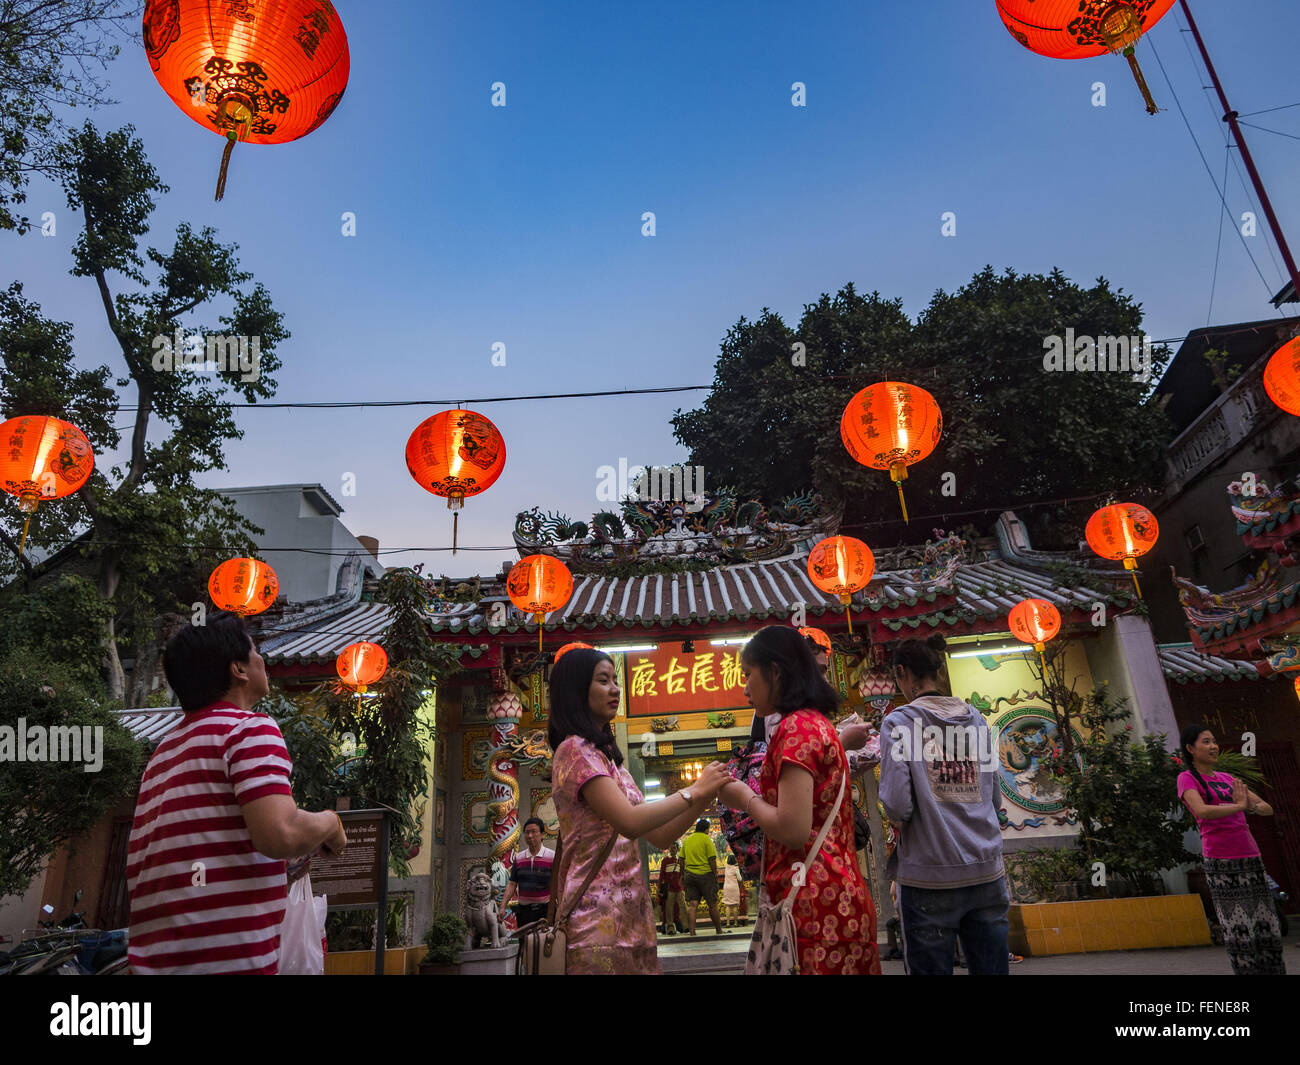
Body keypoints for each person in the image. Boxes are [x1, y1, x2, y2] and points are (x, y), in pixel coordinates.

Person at [126, 615, 347, 974]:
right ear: (239, 670)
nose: (263, 660)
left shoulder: (163, 752)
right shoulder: (248, 729)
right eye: (256, 651)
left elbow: (206, 854)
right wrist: (331, 823)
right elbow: (282, 834)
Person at [549, 648, 731, 973]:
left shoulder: (610, 760)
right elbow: (630, 822)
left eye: (616, 680)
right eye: (603, 680)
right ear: (577, 691)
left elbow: (659, 836)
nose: (616, 689)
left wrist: (705, 797)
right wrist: (695, 789)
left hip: (633, 921)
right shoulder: (574, 750)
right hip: (595, 922)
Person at [718, 625, 880, 974]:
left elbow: (792, 830)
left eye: (748, 675)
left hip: (815, 905)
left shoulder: (796, 729)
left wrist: (742, 795)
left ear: (775, 672)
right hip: (832, 896)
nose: (744, 687)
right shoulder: (816, 724)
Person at [878, 634, 1008, 976]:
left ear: (902, 672)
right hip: (986, 870)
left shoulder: (900, 722)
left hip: (928, 876)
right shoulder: (976, 720)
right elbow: (994, 799)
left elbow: (896, 804)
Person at [1177, 723, 1285, 975]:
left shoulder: (1228, 779)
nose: (1213, 746)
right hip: (1221, 861)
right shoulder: (1187, 778)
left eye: (1214, 741)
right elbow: (1202, 810)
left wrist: (1248, 806)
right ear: (1191, 748)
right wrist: (1238, 806)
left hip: (1250, 856)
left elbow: (1266, 807)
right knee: (1239, 927)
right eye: (1206, 741)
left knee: (1265, 924)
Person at [504, 817, 554, 928]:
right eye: (527, 832)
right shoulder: (519, 858)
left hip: (545, 911)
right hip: (524, 912)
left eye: (534, 832)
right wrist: (502, 906)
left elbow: (558, 884)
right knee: (525, 943)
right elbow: (512, 883)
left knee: (544, 942)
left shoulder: (552, 857)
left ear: (542, 834)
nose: (530, 836)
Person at [682, 817, 724, 935]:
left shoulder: (687, 840)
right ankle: (719, 930)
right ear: (706, 829)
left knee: (692, 904)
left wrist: (682, 875)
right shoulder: (707, 840)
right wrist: (715, 874)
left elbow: (681, 859)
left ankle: (692, 932)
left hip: (690, 875)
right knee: (712, 904)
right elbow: (712, 859)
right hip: (706, 875)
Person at [658, 842, 686, 934]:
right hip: (669, 888)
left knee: (683, 907)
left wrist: (683, 885)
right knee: (669, 908)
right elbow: (662, 874)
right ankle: (670, 927)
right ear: (669, 849)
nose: (673, 850)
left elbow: (682, 874)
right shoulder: (665, 860)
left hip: (679, 888)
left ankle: (685, 926)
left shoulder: (680, 860)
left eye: (674, 848)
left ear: (677, 849)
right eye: (671, 848)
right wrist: (659, 887)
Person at [722, 854, 744, 927]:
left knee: (727, 905)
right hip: (734, 887)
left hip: (726, 887)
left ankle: (728, 923)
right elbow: (740, 879)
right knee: (735, 905)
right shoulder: (735, 868)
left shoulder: (726, 868)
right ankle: (735, 923)